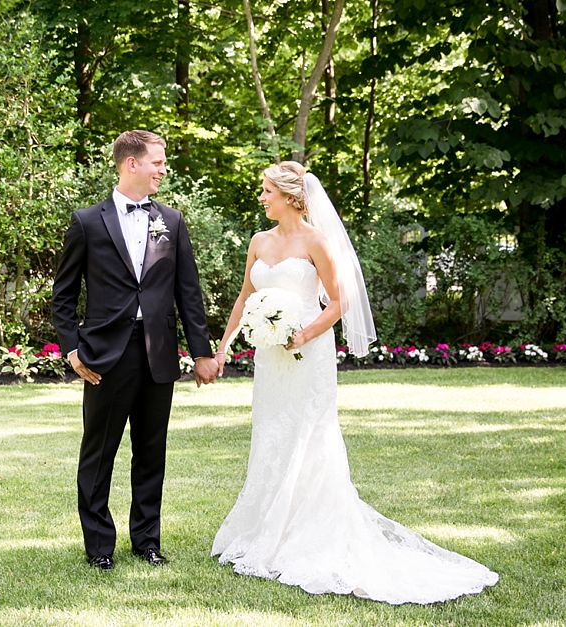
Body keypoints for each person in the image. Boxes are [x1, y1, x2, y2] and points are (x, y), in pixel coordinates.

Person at [210, 161, 499, 604]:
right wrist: (227, 343)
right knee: (272, 433)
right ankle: (265, 526)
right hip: (271, 355)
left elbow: (340, 301)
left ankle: (308, 533)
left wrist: (302, 332)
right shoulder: (258, 241)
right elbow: (245, 296)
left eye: (267, 191)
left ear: (289, 196)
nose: (262, 198)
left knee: (309, 434)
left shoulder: (316, 241)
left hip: (307, 350)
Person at [51, 130, 219, 572]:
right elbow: (63, 296)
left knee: (151, 452)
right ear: (132, 164)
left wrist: (201, 352)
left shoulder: (173, 221)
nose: (163, 169)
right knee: (99, 452)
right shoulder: (87, 221)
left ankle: (146, 540)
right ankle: (99, 547)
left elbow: (189, 292)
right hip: (105, 355)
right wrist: (72, 350)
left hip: (158, 353)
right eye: (157, 162)